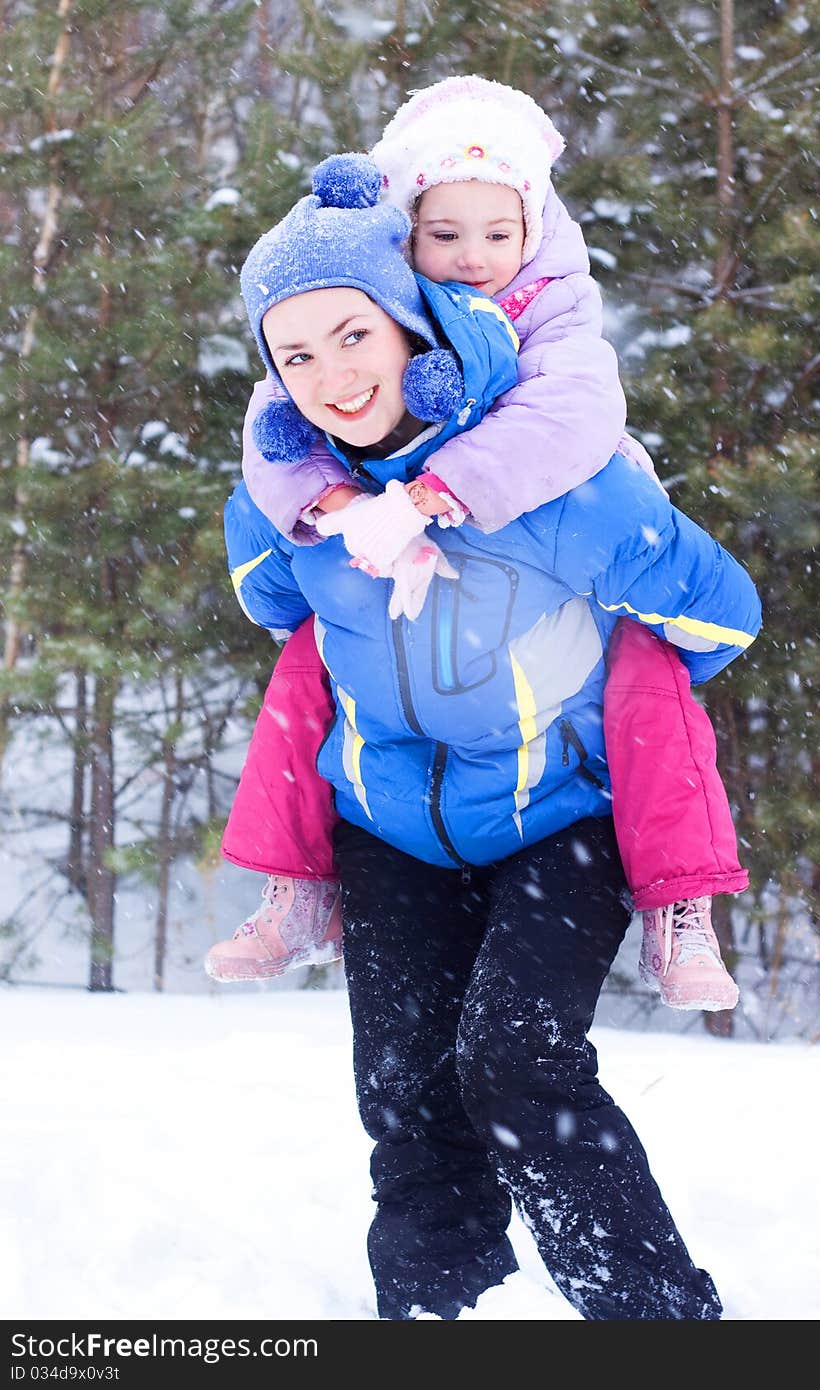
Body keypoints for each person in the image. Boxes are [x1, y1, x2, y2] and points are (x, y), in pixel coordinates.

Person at [221, 154, 760, 1320]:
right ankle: (430, 1311)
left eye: (352, 336)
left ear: (413, 319)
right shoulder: (291, 500)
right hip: (387, 828)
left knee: (516, 1060)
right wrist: (317, 514)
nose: (329, 376)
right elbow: (272, 602)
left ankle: (656, 1315)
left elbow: (719, 614)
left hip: (556, 821)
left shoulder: (559, 482)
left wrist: (621, 663)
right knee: (406, 1093)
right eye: (295, 356)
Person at [208, 77, 748, 1012]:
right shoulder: (371, 297)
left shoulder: (556, 295)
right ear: (406, 232)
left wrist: (431, 494)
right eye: (443, 236)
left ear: (531, 227)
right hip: (396, 543)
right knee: (311, 662)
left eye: (497, 236)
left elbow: (573, 414)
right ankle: (291, 884)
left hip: (547, 477)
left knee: (644, 675)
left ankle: (683, 897)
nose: (471, 260)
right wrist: (332, 503)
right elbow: (278, 406)